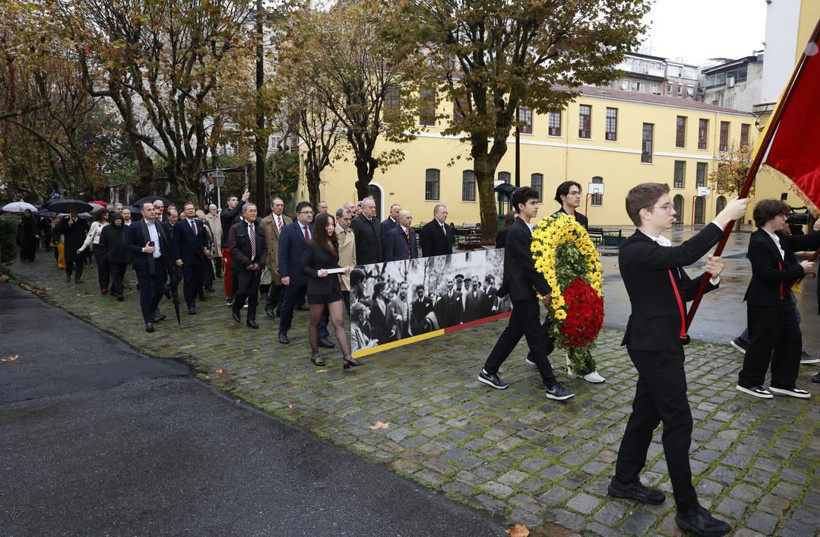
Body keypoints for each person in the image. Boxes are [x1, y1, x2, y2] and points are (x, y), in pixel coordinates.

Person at [609, 183, 747, 537]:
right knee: (679, 421)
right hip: (654, 346)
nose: (673, 212)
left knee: (645, 415)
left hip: (662, 342)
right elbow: (686, 254)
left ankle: (624, 480)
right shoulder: (635, 250)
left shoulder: (658, 247)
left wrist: (710, 279)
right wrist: (723, 217)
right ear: (645, 213)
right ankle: (688, 509)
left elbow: (681, 290)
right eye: (666, 206)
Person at [477, 186, 574, 401]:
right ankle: (551, 385)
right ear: (521, 206)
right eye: (532, 203)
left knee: (513, 332)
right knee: (535, 338)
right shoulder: (517, 231)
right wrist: (546, 291)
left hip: (525, 290)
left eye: (537, 202)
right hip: (521, 291)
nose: (536, 206)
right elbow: (529, 265)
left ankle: (488, 370)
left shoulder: (526, 228)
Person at [736, 199, 820, 400]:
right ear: (769, 217)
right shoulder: (758, 241)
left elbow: (805, 242)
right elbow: (767, 275)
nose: (785, 219)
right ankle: (749, 381)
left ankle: (783, 383)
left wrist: (817, 230)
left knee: (791, 339)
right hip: (763, 300)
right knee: (762, 342)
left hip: (781, 298)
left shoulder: (779, 237)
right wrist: (799, 269)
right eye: (782, 215)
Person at [302, 213, 357, 369]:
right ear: (321, 226)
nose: (331, 227)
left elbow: (332, 265)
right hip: (317, 288)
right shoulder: (312, 245)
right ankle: (315, 354)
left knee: (338, 321)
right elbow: (304, 267)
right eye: (328, 225)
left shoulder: (334, 242)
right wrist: (316, 273)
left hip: (332, 287)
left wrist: (342, 270)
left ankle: (347, 356)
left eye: (332, 224)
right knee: (315, 321)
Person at [278, 201, 330, 346]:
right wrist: (284, 274)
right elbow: (282, 254)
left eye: (311, 212)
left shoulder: (315, 230)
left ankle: (321, 335)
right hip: (294, 275)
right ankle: (283, 331)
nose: (309, 215)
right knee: (288, 305)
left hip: (313, 275)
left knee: (320, 305)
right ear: (298, 214)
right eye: (306, 212)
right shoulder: (288, 230)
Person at [125, 202, 172, 332]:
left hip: (159, 262)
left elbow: (166, 242)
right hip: (143, 263)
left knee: (161, 289)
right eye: (149, 210)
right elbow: (128, 244)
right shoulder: (135, 227)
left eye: (153, 209)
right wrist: (143, 249)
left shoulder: (160, 225)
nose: (152, 211)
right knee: (145, 292)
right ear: (142, 212)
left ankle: (151, 309)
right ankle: (148, 321)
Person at [228, 203, 267, 329]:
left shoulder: (260, 229)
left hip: (256, 267)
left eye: (255, 211)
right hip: (242, 267)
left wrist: (259, 263)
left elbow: (265, 248)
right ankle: (236, 307)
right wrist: (247, 263)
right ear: (244, 213)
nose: (253, 213)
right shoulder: (235, 228)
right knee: (242, 291)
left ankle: (251, 319)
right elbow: (233, 248)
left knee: (253, 294)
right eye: (251, 211)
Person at [174, 202, 210, 315]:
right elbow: (176, 243)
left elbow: (204, 237)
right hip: (187, 258)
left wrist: (206, 247)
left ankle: (193, 297)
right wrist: (178, 258)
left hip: (199, 257)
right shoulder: (180, 225)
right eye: (188, 209)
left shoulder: (199, 223)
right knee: (188, 281)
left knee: (198, 280)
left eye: (192, 209)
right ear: (184, 212)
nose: (191, 210)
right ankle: (191, 304)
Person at [259, 197, 292, 319]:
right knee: (278, 282)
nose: (280, 207)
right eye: (277, 205)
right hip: (273, 256)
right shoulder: (265, 222)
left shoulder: (288, 220)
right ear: (272, 207)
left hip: (287, 255)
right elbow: (261, 241)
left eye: (282, 205)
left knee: (285, 284)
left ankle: (280, 308)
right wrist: (264, 258)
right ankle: (270, 305)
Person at [221, 191, 250, 306]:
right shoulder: (225, 213)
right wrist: (243, 200)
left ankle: (241, 295)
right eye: (233, 200)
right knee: (229, 273)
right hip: (228, 247)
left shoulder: (240, 215)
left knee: (242, 273)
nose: (236, 202)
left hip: (240, 248)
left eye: (237, 200)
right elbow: (231, 215)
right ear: (228, 202)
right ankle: (229, 296)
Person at [76, 209, 110, 292]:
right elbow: (90, 236)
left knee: (108, 266)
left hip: (108, 247)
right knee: (101, 266)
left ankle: (109, 284)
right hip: (98, 247)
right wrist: (82, 248)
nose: (107, 216)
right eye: (105, 214)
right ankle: (103, 286)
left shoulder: (108, 224)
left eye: (107, 214)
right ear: (101, 214)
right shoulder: (95, 224)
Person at [99, 212, 128, 301]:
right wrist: (105, 254)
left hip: (124, 256)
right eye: (116, 220)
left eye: (120, 219)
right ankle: (119, 293)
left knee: (121, 275)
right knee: (116, 275)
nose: (118, 221)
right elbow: (102, 243)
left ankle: (113, 289)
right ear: (113, 220)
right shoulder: (106, 229)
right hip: (112, 257)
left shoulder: (126, 228)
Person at [335, 208, 357, 312]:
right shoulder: (332, 232)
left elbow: (353, 254)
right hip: (335, 271)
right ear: (338, 218)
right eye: (345, 219)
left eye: (350, 219)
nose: (348, 222)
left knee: (350, 302)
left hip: (347, 271)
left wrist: (354, 268)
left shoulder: (351, 233)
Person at [60, 208, 90, 283]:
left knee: (80, 261)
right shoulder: (65, 221)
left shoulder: (83, 221)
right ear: (70, 212)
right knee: (69, 261)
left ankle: (78, 277)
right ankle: (68, 274)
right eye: (72, 211)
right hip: (69, 245)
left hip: (80, 244)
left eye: (75, 211)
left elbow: (88, 230)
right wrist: (68, 225)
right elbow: (61, 231)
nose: (74, 213)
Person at [350, 196, 382, 265]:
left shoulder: (376, 222)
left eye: (374, 207)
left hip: (377, 261)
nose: (373, 209)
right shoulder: (356, 222)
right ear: (363, 208)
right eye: (370, 207)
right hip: (363, 262)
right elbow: (354, 244)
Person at [205, 204, 223, 277]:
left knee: (219, 256)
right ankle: (212, 273)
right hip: (211, 240)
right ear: (210, 210)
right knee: (211, 256)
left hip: (219, 239)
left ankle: (219, 272)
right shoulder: (206, 217)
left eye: (216, 209)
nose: (215, 211)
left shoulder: (219, 217)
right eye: (213, 209)